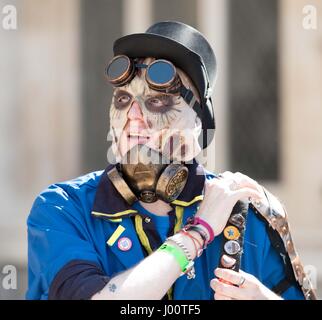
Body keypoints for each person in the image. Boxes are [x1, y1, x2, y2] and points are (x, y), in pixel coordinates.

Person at [26, 21, 316, 300]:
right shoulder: (63, 208)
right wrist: (198, 233)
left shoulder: (249, 211)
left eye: (158, 101)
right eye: (123, 100)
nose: (134, 117)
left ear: (201, 123)